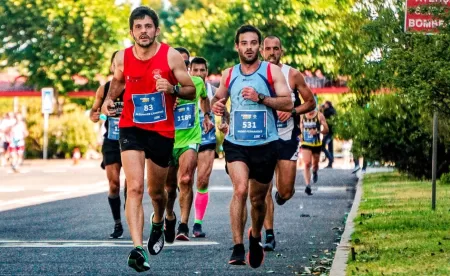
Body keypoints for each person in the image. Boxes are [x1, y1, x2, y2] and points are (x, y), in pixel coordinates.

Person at [100, 6, 196, 273]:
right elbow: (117, 83)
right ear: (131, 31)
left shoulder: (171, 56)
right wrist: (109, 101)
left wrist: (173, 88)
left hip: (161, 131)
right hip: (131, 127)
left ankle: (159, 220)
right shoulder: (122, 57)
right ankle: (138, 248)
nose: (144, 31)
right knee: (133, 188)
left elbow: (189, 89)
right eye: (138, 27)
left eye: (148, 26)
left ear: (156, 29)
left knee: (157, 192)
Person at [211, 25, 293, 269]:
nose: (249, 47)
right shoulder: (229, 74)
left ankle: (255, 237)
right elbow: (218, 100)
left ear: (259, 46)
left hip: (266, 144)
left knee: (258, 200)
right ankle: (237, 247)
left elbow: (288, 102)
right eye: (244, 43)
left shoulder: (271, 72)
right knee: (240, 190)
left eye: (253, 43)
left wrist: (261, 98)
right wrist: (219, 111)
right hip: (237, 144)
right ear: (237, 46)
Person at [259, 35, 316, 251]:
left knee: (286, 191)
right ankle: (269, 234)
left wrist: (292, 111)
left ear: (281, 51)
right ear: (261, 51)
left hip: (286, 138)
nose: (271, 52)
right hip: (262, 139)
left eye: (276, 48)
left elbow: (311, 102)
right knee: (264, 188)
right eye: (267, 48)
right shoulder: (254, 74)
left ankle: (281, 197)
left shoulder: (292, 74)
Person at [164, 48, 214, 242]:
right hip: (167, 139)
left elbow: (204, 98)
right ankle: (169, 216)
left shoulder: (197, 83)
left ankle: (184, 224)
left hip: (190, 138)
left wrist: (207, 115)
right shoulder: (163, 84)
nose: (183, 67)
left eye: (186, 64)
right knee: (169, 187)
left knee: (185, 179)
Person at [90, 51, 127, 239]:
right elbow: (93, 113)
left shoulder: (134, 88)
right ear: (112, 67)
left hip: (131, 140)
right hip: (111, 141)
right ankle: (117, 223)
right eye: (116, 64)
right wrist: (94, 115)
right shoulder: (103, 89)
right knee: (114, 184)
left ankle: (131, 210)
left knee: (132, 184)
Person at [188, 56, 218, 238]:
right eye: (195, 70)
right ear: (190, 71)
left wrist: (224, 123)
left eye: (202, 70)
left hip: (207, 140)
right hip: (186, 140)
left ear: (207, 71)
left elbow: (226, 113)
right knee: (184, 181)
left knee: (203, 180)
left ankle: (197, 223)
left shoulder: (214, 91)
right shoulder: (184, 90)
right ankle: (177, 217)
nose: (199, 74)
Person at [300, 104, 329, 195]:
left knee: (315, 164)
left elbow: (326, 130)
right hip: (305, 143)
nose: (310, 110)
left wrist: (317, 131)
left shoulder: (319, 115)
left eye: (312, 108)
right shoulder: (302, 115)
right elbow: (300, 127)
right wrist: (300, 136)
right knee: (307, 163)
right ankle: (308, 185)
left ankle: (315, 171)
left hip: (316, 144)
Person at [321, 101, 336, 168]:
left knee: (322, 146)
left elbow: (323, 118)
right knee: (330, 147)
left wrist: (322, 109)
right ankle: (330, 162)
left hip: (328, 132)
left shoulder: (327, 111)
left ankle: (330, 159)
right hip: (332, 131)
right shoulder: (333, 111)